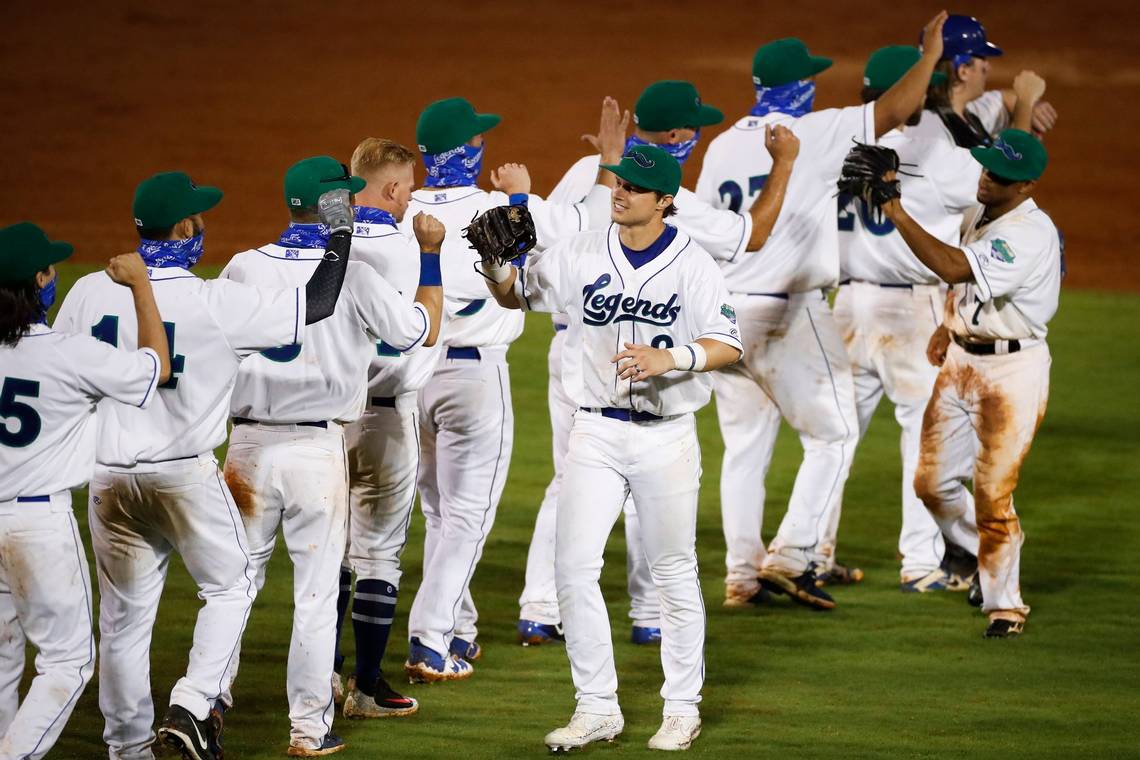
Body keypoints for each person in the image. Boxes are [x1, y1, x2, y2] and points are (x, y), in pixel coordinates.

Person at [54, 170, 353, 760]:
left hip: (108, 479)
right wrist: (339, 231)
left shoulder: (87, 290)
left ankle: (127, 749)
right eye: (198, 218)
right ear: (184, 228)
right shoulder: (215, 301)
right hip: (182, 477)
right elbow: (317, 302)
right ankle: (192, 704)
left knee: (122, 622)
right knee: (233, 583)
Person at [480, 144, 754, 752]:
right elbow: (518, 296)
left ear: (665, 201)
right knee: (573, 568)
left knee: (673, 572)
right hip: (595, 432)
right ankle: (597, 707)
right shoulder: (580, 250)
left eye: (635, 186)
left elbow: (728, 343)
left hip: (666, 437)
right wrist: (496, 268)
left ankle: (681, 709)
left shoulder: (693, 264)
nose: (621, 192)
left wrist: (672, 357)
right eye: (619, 182)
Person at [694, 12, 949, 609]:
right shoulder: (816, 130)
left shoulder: (722, 145)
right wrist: (930, 57)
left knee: (744, 451)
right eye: (809, 80)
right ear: (798, 88)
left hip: (726, 315)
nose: (815, 88)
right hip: (789, 312)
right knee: (835, 435)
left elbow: (706, 233)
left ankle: (741, 577)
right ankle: (790, 555)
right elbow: (892, 109)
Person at [218, 155, 443, 754]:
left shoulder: (242, 266)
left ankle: (206, 705)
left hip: (245, 448)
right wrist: (430, 259)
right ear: (335, 206)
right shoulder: (356, 275)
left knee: (232, 585)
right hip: (316, 448)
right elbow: (417, 329)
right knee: (315, 596)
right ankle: (308, 727)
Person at [401, 97, 590, 681]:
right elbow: (571, 236)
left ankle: (458, 626)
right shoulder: (495, 208)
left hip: (409, 377)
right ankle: (430, 638)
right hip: (474, 377)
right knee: (467, 516)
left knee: (439, 511)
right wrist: (520, 196)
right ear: (469, 151)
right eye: (478, 140)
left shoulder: (402, 211)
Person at [875, 128, 1060, 638]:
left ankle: (1005, 606)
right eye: (987, 168)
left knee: (992, 493)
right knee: (930, 484)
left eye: (1000, 176)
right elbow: (963, 284)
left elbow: (955, 265)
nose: (986, 179)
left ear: (1026, 186)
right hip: (962, 361)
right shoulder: (982, 212)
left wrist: (895, 211)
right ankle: (985, 557)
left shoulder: (1029, 232)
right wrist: (947, 324)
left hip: (1012, 371)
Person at [0, 224, 170, 760]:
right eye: (49, 269)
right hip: (38, 529)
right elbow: (155, 369)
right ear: (38, 282)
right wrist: (142, 287)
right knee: (68, 662)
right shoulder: (69, 353)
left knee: (2, 658)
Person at [833, 45, 983, 591]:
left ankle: (810, 552)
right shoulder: (936, 146)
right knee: (922, 437)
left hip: (845, 306)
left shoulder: (842, 139)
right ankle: (920, 562)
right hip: (911, 311)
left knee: (835, 439)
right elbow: (999, 186)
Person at [328, 138, 447, 718]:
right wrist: (432, 254)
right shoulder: (413, 247)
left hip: (327, 420)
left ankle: (323, 674)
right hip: (386, 420)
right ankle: (367, 686)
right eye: (408, 187)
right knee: (377, 555)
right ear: (394, 189)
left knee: (328, 552)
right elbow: (429, 327)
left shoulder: (327, 245)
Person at [911, 14, 1057, 147]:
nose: (988, 67)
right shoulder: (934, 134)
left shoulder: (966, 110)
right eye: (983, 59)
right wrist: (1025, 103)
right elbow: (1016, 164)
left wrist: (1033, 108)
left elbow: (1004, 99)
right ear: (963, 71)